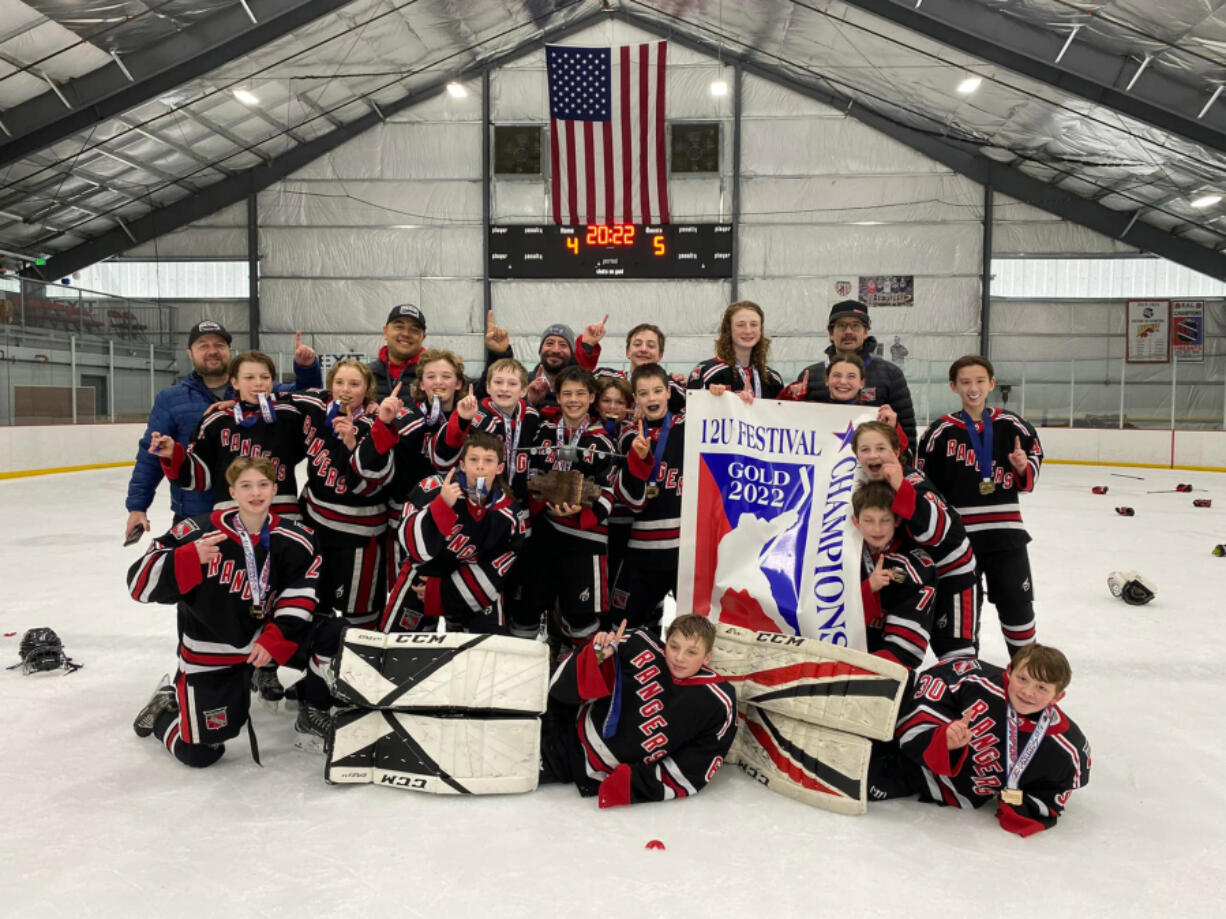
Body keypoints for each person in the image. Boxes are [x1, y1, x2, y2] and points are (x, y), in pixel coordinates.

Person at [128, 456, 322, 767]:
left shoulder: (298, 538)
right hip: (211, 652)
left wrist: (274, 639)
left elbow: (300, 596)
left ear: (274, 489)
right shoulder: (197, 530)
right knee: (201, 753)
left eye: (262, 485)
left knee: (334, 638)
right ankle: (165, 709)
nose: (255, 493)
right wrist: (188, 557)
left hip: (263, 643)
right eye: (245, 485)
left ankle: (318, 707)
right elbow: (139, 585)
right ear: (232, 491)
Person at [125, 321, 320, 538]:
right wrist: (137, 507)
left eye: (219, 345)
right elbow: (151, 455)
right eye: (203, 345)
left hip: (260, 510)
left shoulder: (257, 389)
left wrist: (305, 368)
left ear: (229, 351)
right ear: (190, 353)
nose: (212, 351)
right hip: (195, 512)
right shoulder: (171, 399)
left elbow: (304, 398)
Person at [893, 644, 1090, 837]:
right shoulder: (973, 680)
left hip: (919, 789)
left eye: (1041, 687)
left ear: (1057, 696)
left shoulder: (1067, 749)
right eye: (1022, 679)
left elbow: (1049, 796)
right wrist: (941, 738)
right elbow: (933, 682)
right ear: (1009, 672)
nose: (1028, 692)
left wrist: (1013, 800)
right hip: (905, 752)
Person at [540, 614, 736, 807]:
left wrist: (628, 784)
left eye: (692, 652)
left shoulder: (719, 702)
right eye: (674, 647)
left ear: (707, 657)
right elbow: (561, 687)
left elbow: (697, 762)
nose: (679, 658)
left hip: (585, 768)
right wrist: (598, 655)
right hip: (564, 732)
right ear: (665, 641)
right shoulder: (638, 643)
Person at [916, 356, 1043, 653]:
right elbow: (926, 487)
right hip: (959, 544)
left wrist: (1022, 467)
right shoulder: (938, 432)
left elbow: (1030, 476)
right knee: (961, 617)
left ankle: (1027, 672)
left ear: (991, 384)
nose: (973, 388)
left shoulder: (1014, 425)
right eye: (965, 382)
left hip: (1006, 538)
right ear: (953, 386)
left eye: (979, 381)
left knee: (1018, 610)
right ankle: (963, 677)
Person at [854, 420, 979, 660]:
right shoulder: (858, 481)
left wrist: (901, 486)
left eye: (881, 448)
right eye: (865, 449)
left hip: (951, 571)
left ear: (897, 453)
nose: (873, 455)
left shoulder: (912, 480)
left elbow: (937, 532)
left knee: (955, 650)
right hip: (912, 570)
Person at [380, 432, 525, 635]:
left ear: (499, 468)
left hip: (472, 585)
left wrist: (440, 593)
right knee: (396, 644)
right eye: (473, 459)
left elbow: (495, 569)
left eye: (488, 460)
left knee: (487, 646)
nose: (480, 466)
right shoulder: (432, 489)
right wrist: (442, 506)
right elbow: (411, 546)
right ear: (462, 464)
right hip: (423, 573)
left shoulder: (509, 516)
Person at [289, 359, 395, 628]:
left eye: (354, 384)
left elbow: (376, 483)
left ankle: (356, 666)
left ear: (368, 389)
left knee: (360, 611)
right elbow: (269, 396)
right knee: (317, 601)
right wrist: (235, 403)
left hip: (360, 537)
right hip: (317, 528)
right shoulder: (315, 407)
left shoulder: (375, 424)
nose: (345, 389)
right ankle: (318, 666)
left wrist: (352, 445)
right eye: (339, 382)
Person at [518, 366, 617, 646]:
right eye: (567, 394)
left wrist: (583, 511)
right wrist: (540, 500)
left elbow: (608, 492)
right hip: (545, 536)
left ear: (592, 397)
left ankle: (580, 683)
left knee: (582, 617)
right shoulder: (545, 432)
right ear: (557, 398)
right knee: (528, 609)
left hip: (586, 543)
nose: (574, 400)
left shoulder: (603, 442)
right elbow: (532, 474)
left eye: (581, 394)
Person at [149, 351, 307, 520]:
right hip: (230, 521)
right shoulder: (216, 421)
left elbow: (315, 402)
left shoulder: (289, 416)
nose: (259, 383)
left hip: (283, 519)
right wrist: (173, 455)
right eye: (249, 378)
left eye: (265, 377)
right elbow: (200, 477)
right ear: (235, 383)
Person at [611, 363, 685, 634]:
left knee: (693, 628)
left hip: (685, 550)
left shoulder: (690, 424)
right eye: (643, 393)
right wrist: (637, 460)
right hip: (643, 549)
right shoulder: (630, 435)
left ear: (669, 392)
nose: (651, 398)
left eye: (657, 391)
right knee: (623, 627)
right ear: (636, 399)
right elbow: (633, 501)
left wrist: (719, 395)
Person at [793, 300, 916, 449]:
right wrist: (790, 398)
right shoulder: (809, 375)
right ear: (831, 334)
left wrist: (905, 464)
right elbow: (791, 429)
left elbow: (907, 431)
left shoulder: (890, 374)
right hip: (821, 466)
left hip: (871, 466)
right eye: (842, 326)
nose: (848, 332)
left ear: (865, 333)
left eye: (855, 326)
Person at [851, 481, 937, 670]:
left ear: (897, 520)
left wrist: (860, 671)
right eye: (868, 520)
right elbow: (827, 622)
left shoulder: (915, 567)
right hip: (839, 660)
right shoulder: (838, 556)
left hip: (882, 672)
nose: (877, 529)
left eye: (885, 520)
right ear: (855, 521)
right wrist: (868, 588)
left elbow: (905, 653)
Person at [574, 317, 687, 413]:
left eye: (651, 346)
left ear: (660, 355)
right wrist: (587, 346)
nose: (643, 349)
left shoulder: (671, 387)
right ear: (628, 352)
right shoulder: (604, 376)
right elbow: (574, 382)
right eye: (637, 344)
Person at [484, 320, 578, 420]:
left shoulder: (580, 387)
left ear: (572, 353)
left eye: (563, 345)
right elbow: (486, 398)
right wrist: (528, 401)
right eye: (549, 343)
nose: (555, 350)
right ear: (540, 350)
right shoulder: (522, 383)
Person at [688, 301, 784, 398]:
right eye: (740, 325)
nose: (748, 331)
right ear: (728, 329)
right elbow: (690, 410)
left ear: (761, 330)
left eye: (754, 324)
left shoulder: (773, 379)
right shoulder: (706, 372)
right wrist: (719, 400)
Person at [369, 304, 428, 400]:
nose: (406, 334)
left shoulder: (434, 377)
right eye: (399, 327)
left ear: (423, 337)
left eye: (414, 330)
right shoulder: (366, 374)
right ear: (385, 331)